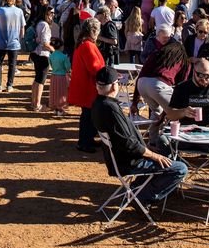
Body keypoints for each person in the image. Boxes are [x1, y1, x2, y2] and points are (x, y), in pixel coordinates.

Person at [91, 66, 188, 207]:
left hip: (120, 157)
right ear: (113, 86)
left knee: (163, 148)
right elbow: (129, 144)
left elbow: (125, 139)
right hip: (129, 161)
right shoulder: (110, 108)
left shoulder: (98, 103)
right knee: (180, 168)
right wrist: (153, 155)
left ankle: (136, 190)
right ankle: (142, 198)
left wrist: (147, 148)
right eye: (117, 82)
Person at [164, 57, 209, 207]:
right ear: (193, 72)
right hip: (183, 138)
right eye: (200, 75)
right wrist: (183, 112)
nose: (204, 79)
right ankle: (166, 184)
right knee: (162, 142)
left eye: (208, 76)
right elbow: (170, 114)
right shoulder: (182, 88)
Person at [132, 24, 188, 145]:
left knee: (156, 113)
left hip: (142, 84)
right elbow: (182, 83)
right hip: (158, 84)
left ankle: (153, 142)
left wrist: (135, 102)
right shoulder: (182, 56)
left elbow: (141, 75)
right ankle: (175, 144)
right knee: (179, 112)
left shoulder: (157, 52)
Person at [68, 17, 106, 153]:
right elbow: (94, 68)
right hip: (88, 87)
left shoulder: (84, 43)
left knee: (88, 115)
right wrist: (106, 74)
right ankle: (84, 142)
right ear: (93, 30)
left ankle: (87, 140)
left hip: (86, 85)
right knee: (89, 116)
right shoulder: (87, 45)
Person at [0, 0, 25, 92]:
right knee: (12, 64)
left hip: (2, 41)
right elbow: (22, 26)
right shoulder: (19, 11)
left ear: (4, 0)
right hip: (14, 42)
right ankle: (10, 85)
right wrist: (20, 38)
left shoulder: (1, 10)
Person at [29, 6, 56, 111]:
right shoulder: (45, 25)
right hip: (42, 54)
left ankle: (33, 103)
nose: (53, 15)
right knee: (41, 81)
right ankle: (37, 105)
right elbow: (45, 43)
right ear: (45, 14)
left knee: (37, 79)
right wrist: (54, 51)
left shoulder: (38, 23)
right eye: (51, 13)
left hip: (35, 53)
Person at [48, 38, 72, 116]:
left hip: (54, 76)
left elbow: (51, 65)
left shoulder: (51, 55)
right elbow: (68, 68)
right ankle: (60, 109)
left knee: (55, 91)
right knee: (62, 92)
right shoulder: (64, 57)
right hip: (62, 76)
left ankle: (56, 108)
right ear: (61, 47)